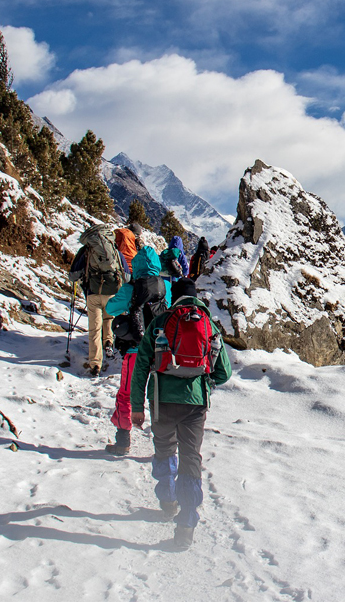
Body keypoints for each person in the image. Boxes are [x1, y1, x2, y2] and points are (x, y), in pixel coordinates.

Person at [130, 277, 231, 550]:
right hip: (195, 404)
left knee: (164, 449)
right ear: (196, 297)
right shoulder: (208, 325)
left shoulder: (160, 322)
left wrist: (137, 406)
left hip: (162, 400)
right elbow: (224, 373)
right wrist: (204, 381)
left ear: (175, 297)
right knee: (190, 459)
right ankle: (186, 526)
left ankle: (167, 501)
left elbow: (140, 366)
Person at [103, 247, 171, 456]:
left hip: (135, 350)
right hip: (161, 351)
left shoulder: (130, 288)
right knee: (163, 396)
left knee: (127, 394)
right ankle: (165, 446)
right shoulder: (166, 286)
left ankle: (123, 440)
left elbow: (110, 309)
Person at [69, 224, 129, 377]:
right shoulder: (114, 249)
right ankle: (108, 342)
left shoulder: (87, 250)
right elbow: (126, 274)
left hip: (93, 292)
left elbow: (74, 274)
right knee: (109, 317)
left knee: (94, 328)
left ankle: (95, 363)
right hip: (112, 291)